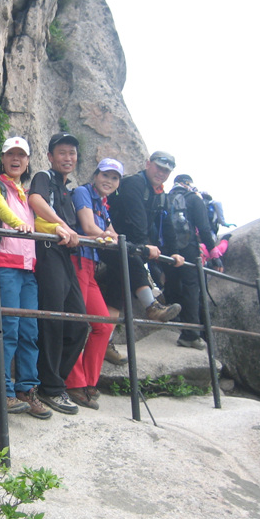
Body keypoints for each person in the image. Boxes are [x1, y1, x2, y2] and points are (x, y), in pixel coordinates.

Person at [0, 137, 50, 420]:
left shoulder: (24, 194)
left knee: (29, 330)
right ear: (3, 158)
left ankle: (26, 390)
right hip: (2, 265)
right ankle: (0, 394)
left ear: (28, 161)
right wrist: (19, 223)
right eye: (11, 154)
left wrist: (65, 230)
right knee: (7, 328)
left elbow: (39, 224)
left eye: (21, 155)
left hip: (26, 269)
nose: (16, 159)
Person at [100, 151, 183, 363]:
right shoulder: (134, 184)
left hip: (126, 244)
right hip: (106, 239)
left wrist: (174, 251)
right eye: (158, 167)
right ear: (148, 164)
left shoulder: (159, 194)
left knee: (116, 294)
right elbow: (137, 220)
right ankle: (151, 306)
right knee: (131, 260)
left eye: (166, 170)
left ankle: (104, 344)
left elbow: (167, 225)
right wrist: (144, 246)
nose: (161, 173)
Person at [28, 132, 88, 415]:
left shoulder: (69, 190)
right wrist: (63, 225)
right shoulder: (44, 177)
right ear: (51, 157)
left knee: (78, 322)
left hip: (65, 259)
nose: (67, 158)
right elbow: (36, 200)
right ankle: (51, 388)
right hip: (47, 251)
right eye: (62, 153)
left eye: (72, 153)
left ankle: (52, 382)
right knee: (53, 319)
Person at [65, 158, 123, 410]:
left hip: (90, 267)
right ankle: (74, 383)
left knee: (103, 324)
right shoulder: (82, 192)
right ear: (96, 174)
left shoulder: (102, 204)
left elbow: (114, 235)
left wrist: (108, 236)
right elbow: (89, 227)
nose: (109, 181)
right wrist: (106, 237)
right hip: (76, 263)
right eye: (105, 175)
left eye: (114, 177)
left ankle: (89, 381)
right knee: (77, 323)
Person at [161, 174, 220, 350]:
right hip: (189, 250)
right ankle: (191, 334)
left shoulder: (164, 198)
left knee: (172, 285)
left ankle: (177, 322)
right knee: (192, 289)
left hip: (166, 250)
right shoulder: (194, 198)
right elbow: (203, 228)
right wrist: (214, 254)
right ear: (189, 183)